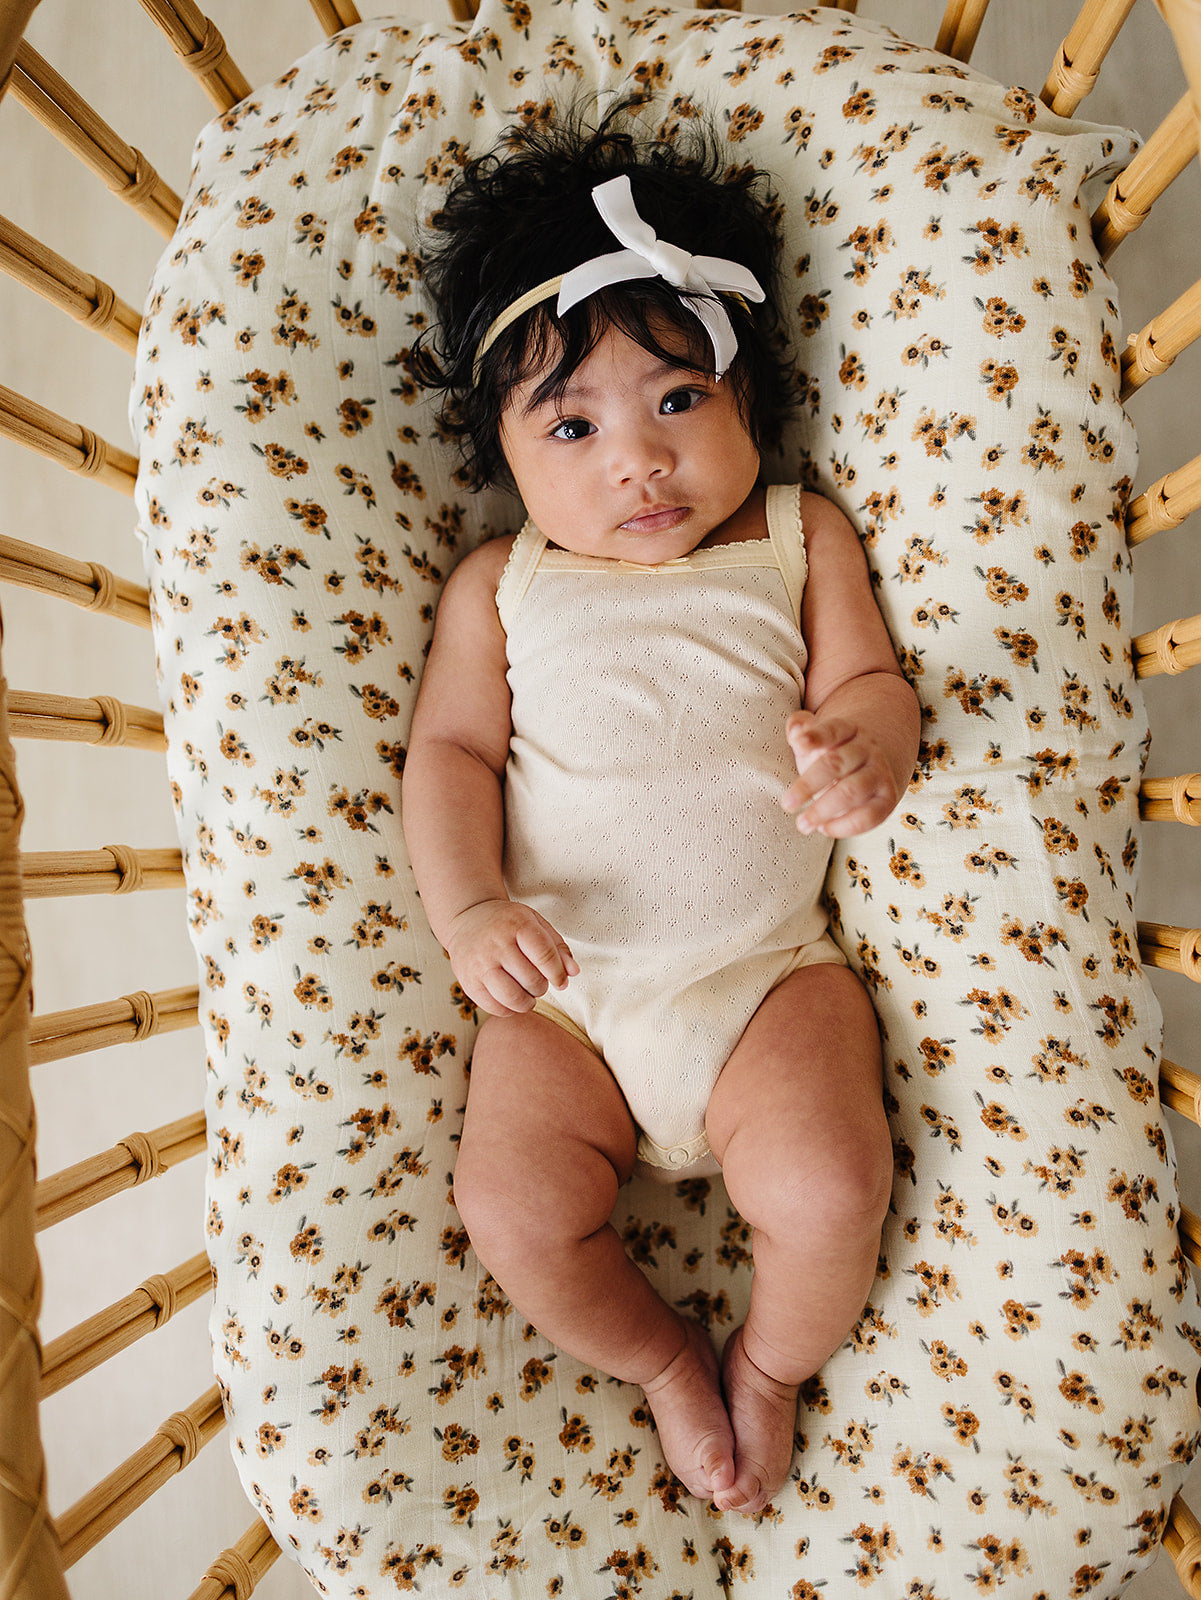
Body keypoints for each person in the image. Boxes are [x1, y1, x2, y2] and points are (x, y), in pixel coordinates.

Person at [402, 103, 920, 1518]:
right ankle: (660, 1364)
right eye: (571, 424)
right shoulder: (498, 588)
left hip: (763, 980)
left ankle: (764, 1369)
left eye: (677, 401)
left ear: (750, 397)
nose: (636, 460)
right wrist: (469, 911)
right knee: (510, 1213)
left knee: (824, 1189)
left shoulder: (794, 538)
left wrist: (866, 748)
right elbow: (449, 757)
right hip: (565, 1001)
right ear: (504, 461)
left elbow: (869, 676)